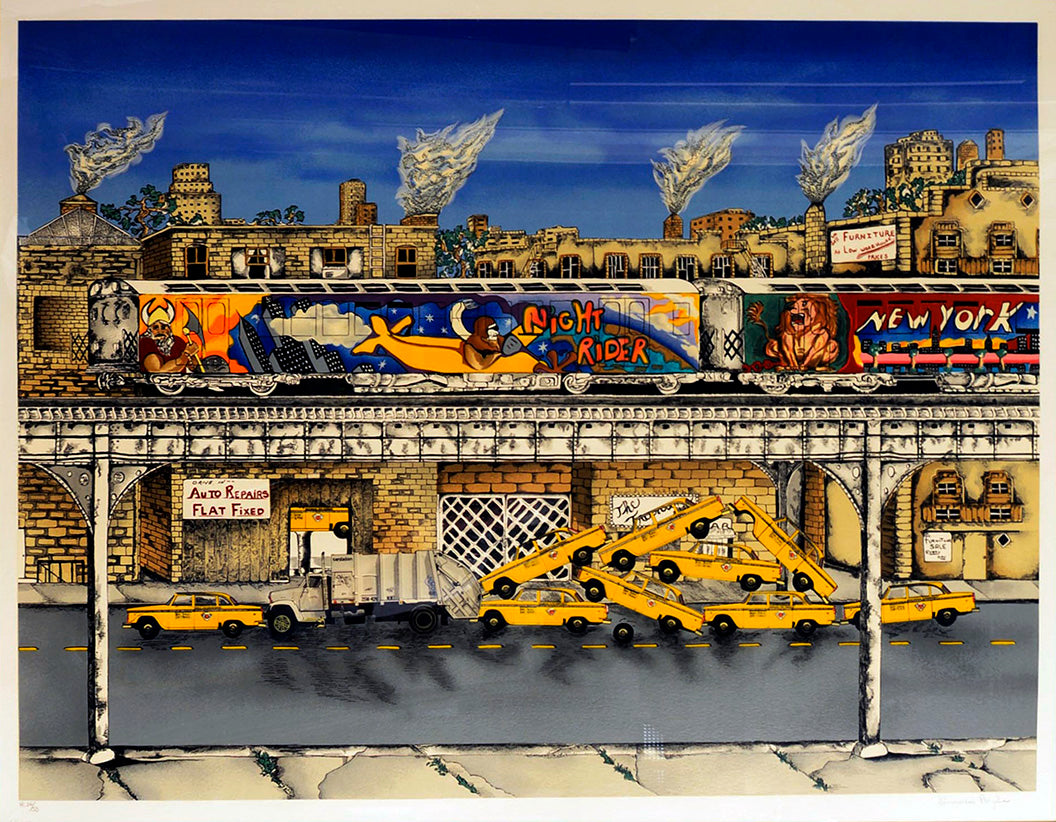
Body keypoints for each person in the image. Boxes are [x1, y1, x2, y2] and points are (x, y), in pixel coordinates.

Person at [139, 305, 199, 373]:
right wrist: (186, 354)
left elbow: (191, 365)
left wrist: (192, 358)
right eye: (155, 327)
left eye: (163, 327)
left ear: (169, 329)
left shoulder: (177, 341)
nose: (160, 331)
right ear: (150, 330)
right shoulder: (145, 343)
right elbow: (158, 372)